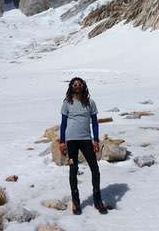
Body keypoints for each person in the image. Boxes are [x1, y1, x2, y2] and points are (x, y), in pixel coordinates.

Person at [59, 77, 108, 215]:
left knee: (95, 168)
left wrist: (96, 140)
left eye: (80, 84)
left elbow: (95, 123)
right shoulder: (67, 103)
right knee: (73, 169)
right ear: (71, 87)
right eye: (75, 84)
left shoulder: (90, 103)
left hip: (86, 140)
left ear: (83, 86)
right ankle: (76, 202)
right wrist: (62, 142)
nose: (77, 86)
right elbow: (63, 124)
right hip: (71, 141)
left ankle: (98, 200)